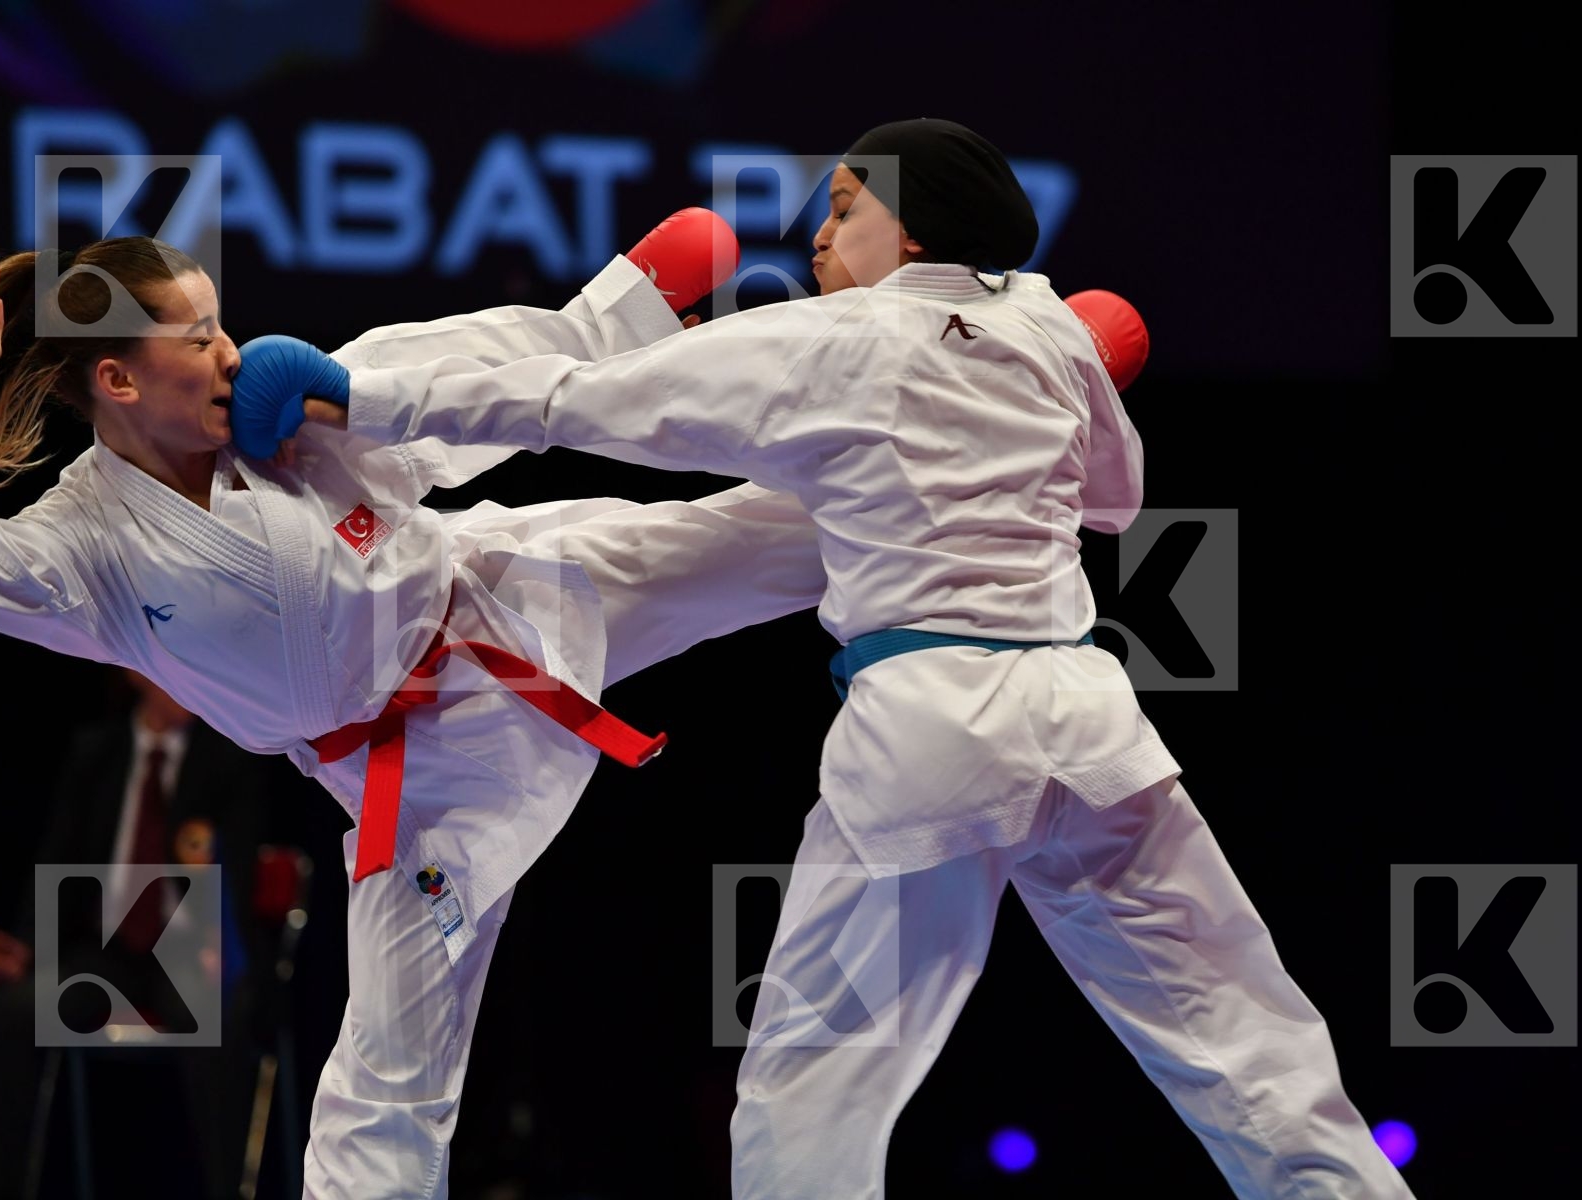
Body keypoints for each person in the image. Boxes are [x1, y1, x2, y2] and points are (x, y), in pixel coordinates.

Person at [253, 118, 1417, 1199]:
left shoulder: (830, 337)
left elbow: (577, 394)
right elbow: (1115, 502)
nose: (819, 232)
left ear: (910, 228)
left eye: (845, 205)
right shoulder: (1051, 325)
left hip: (932, 738)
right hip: (1089, 722)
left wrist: (359, 394)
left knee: (808, 1106)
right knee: (1254, 1049)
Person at [0, 213, 827, 1197]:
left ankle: (971, 512)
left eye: (222, 324)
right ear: (119, 382)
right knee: (384, 1088)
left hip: (505, 603)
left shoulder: (289, 411)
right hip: (419, 785)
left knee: (776, 538)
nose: (229, 354)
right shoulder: (88, 547)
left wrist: (623, 308)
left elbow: (482, 378)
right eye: (196, 339)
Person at [0, 665, 292, 1200]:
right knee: (5, 1018)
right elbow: (59, 855)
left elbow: (236, 869)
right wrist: (29, 944)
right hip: (104, 954)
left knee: (221, 1020)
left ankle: (228, 1189)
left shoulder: (227, 757)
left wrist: (225, 948)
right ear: (134, 670)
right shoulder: (97, 753)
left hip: (187, 953)